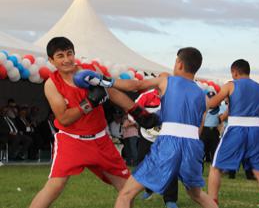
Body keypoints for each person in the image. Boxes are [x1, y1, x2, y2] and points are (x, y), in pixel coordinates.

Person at [74, 47, 218, 208]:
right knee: (196, 194)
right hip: (193, 146)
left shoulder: (166, 81)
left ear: (179, 63)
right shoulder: (203, 95)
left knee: (126, 194)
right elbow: (199, 127)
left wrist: (102, 80)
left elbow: (136, 85)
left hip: (169, 144)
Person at [29, 37, 159, 208]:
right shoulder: (52, 84)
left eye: (69, 53)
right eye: (60, 56)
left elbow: (113, 92)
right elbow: (64, 119)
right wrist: (89, 103)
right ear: (52, 61)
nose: (67, 59)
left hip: (100, 140)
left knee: (126, 189)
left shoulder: (90, 71)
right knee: (54, 187)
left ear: (74, 54)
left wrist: (137, 112)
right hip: (72, 141)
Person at [207, 59, 259, 208]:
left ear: (234, 72)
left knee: (215, 168)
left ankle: (212, 204)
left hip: (236, 129)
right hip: (256, 130)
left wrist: (205, 97)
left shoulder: (231, 84)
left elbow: (212, 104)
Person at [135, 89, 179, 208]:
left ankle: (170, 200)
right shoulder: (147, 95)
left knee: (170, 166)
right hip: (147, 137)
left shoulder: (175, 96)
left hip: (166, 138)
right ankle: (148, 190)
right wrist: (141, 121)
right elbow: (132, 110)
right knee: (142, 164)